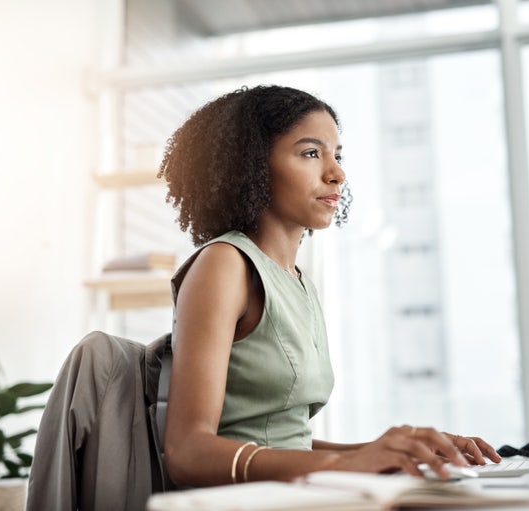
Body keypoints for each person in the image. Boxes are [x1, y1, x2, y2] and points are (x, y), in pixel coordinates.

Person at [157, 84, 501, 488]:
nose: (336, 172)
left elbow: (285, 440)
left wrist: (394, 451)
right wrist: (345, 465)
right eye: (310, 153)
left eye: (337, 155)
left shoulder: (298, 283)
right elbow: (187, 452)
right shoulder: (225, 265)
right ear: (251, 164)